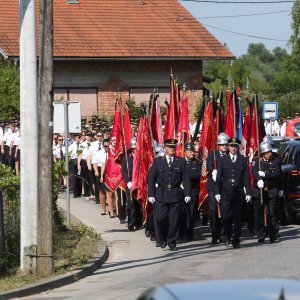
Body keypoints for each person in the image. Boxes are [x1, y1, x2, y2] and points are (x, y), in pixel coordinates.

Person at [148, 138, 191, 251]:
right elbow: (151, 179)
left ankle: (172, 242)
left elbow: (186, 178)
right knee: (161, 218)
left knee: (173, 220)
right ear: (165, 148)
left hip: (175, 194)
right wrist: (151, 194)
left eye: (173, 147)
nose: (172, 149)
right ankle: (162, 238)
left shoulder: (181, 161)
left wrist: (187, 193)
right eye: (170, 147)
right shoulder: (158, 161)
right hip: (161, 194)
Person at [215, 137, 251, 248]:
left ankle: (236, 239)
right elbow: (219, 177)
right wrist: (217, 192)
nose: (233, 148)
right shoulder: (222, 160)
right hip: (226, 192)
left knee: (238, 218)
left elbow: (246, 178)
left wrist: (248, 192)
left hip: (238, 192)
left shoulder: (243, 160)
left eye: (235, 146)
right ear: (228, 147)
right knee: (226, 217)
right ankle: (227, 235)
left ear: (238, 147)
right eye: (231, 146)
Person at [251, 142, 281, 243]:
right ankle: (261, 234)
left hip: (271, 190)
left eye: (270, 151)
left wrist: (265, 174)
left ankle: (272, 234)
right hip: (259, 190)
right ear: (262, 153)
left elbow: (276, 174)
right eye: (267, 152)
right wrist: (259, 179)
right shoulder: (257, 161)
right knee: (259, 213)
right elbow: (254, 171)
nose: (269, 154)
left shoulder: (276, 160)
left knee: (271, 213)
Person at [206, 132, 229, 244]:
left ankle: (224, 234)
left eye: (226, 144)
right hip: (214, 186)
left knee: (225, 211)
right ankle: (215, 233)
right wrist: (213, 171)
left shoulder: (230, 154)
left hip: (225, 186)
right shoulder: (213, 154)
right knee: (214, 210)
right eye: (222, 144)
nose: (225, 146)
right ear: (218, 145)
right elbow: (209, 164)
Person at [181, 142, 202, 241]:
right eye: (190, 151)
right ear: (185, 152)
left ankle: (189, 233)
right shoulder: (180, 162)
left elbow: (197, 175)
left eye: (193, 151)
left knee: (191, 213)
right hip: (181, 191)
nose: (192, 153)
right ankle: (181, 232)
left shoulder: (197, 162)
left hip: (193, 191)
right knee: (181, 212)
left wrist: (184, 176)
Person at [122, 137, 142, 231]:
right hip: (130, 183)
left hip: (139, 183)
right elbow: (124, 171)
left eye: (136, 148)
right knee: (131, 204)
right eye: (133, 148)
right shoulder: (127, 157)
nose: (135, 150)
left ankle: (138, 222)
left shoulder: (141, 157)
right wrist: (128, 181)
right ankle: (131, 222)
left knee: (138, 204)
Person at [93, 138, 110, 215]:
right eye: (105, 146)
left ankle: (111, 209)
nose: (106, 147)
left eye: (108, 146)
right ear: (102, 145)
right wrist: (96, 171)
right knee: (101, 190)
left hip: (110, 171)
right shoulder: (98, 153)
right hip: (100, 171)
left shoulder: (111, 153)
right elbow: (94, 163)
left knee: (110, 191)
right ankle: (103, 209)